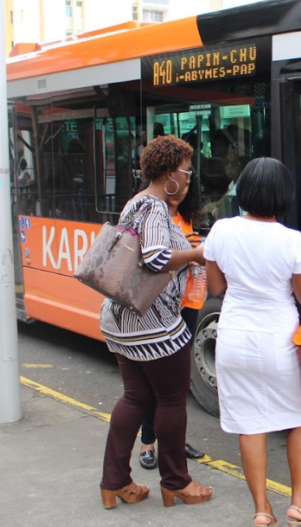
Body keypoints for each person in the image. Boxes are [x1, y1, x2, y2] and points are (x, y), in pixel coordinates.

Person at [203, 157, 301, 527]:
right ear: (283, 195)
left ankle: (263, 509)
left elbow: (216, 288)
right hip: (278, 341)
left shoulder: (220, 230)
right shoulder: (292, 240)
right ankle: (299, 504)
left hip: (233, 338)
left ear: (244, 190)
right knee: (297, 420)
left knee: (250, 425)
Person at [98, 135, 213, 510]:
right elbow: (156, 257)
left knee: (135, 398)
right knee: (172, 401)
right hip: (154, 324)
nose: (189, 177)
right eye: (186, 170)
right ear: (169, 174)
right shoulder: (156, 208)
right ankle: (177, 482)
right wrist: (197, 253)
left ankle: (115, 481)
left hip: (121, 320)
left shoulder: (135, 202)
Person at [137, 170, 207, 470]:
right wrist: (192, 253)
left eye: (188, 184)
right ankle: (147, 443)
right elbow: (152, 260)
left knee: (179, 383)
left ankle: (174, 442)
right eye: (178, 183)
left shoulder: (189, 218)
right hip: (162, 305)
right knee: (155, 382)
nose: (181, 189)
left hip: (190, 301)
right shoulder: (155, 215)